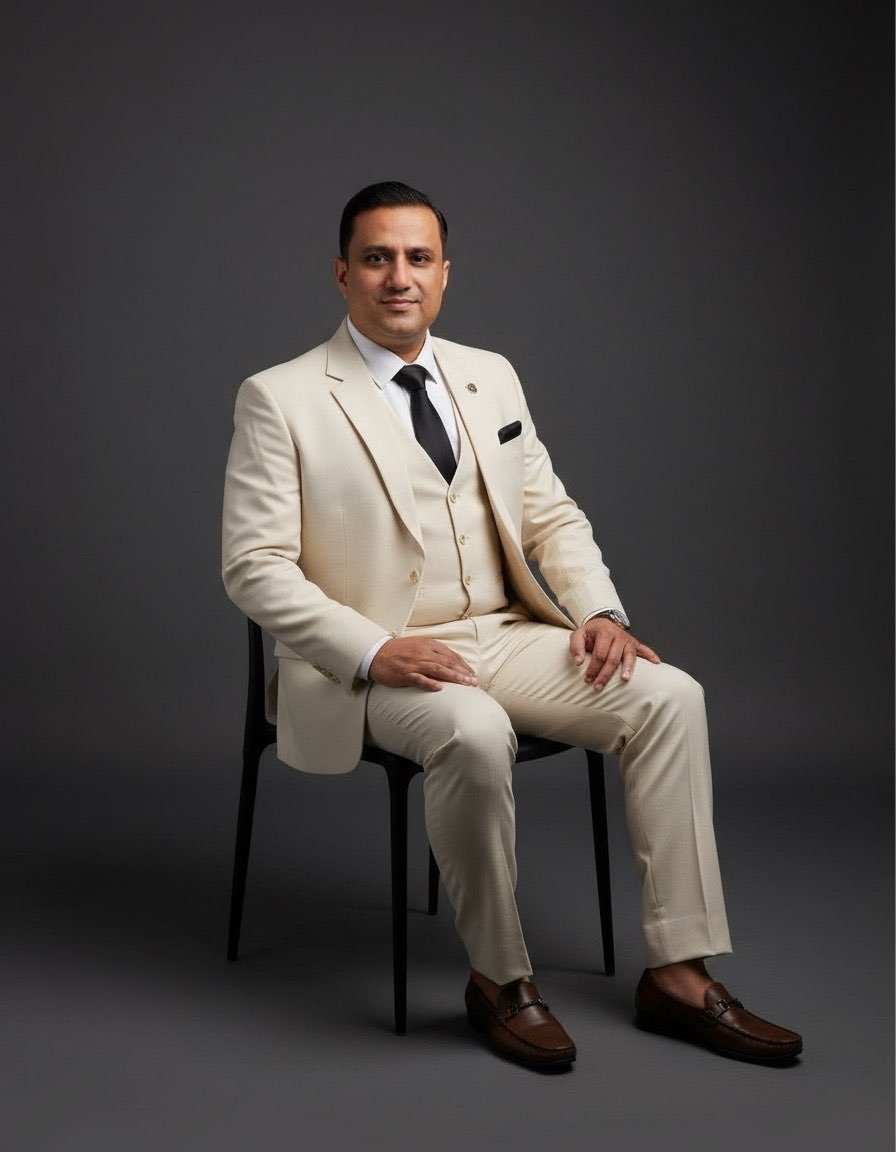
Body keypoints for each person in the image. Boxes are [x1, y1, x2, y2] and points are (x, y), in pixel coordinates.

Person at [221, 180, 802, 1069]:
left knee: (670, 697)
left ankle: (679, 975)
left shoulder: (489, 374)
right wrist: (375, 649)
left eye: (418, 258)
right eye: (377, 258)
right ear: (342, 274)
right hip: (369, 664)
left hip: (503, 633)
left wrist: (598, 610)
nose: (399, 277)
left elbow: (550, 515)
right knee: (473, 729)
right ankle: (498, 979)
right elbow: (254, 566)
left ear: (445, 273)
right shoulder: (280, 396)